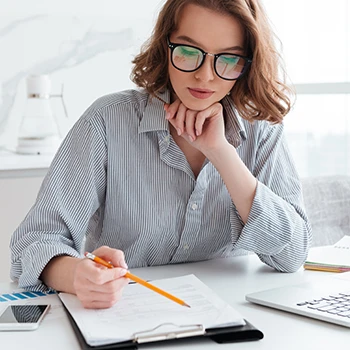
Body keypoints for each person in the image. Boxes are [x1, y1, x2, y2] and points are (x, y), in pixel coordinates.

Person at [10, 0, 311, 309]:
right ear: (165, 47)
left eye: (228, 58)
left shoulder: (263, 131)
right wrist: (77, 275)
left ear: (247, 61)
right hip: (125, 318)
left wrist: (222, 153)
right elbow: (33, 243)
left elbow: (293, 254)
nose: (205, 76)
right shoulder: (106, 122)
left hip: (235, 321)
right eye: (189, 52)